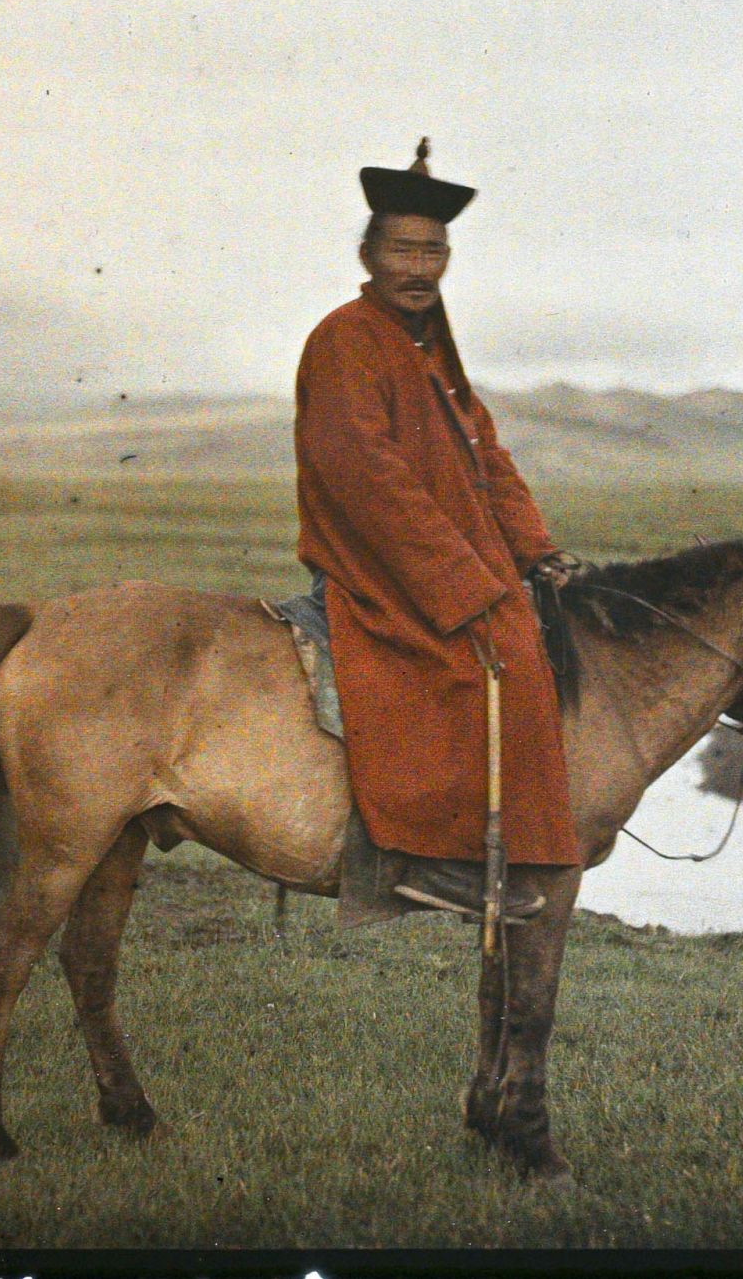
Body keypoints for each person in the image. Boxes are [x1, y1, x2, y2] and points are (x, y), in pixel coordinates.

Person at [293, 139, 583, 920]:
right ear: (368, 253)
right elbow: (366, 477)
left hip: (440, 560)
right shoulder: (346, 339)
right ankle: (428, 860)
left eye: (433, 252)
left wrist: (537, 551)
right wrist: (463, 584)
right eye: (402, 251)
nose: (419, 269)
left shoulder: (432, 353)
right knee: (503, 655)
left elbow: (488, 460)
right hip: (379, 563)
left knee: (527, 630)